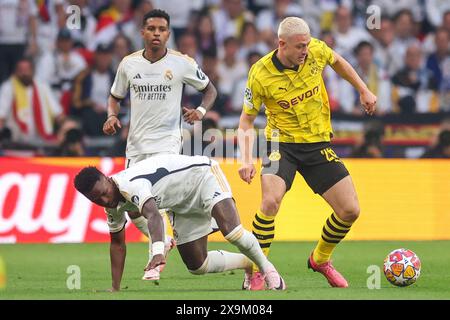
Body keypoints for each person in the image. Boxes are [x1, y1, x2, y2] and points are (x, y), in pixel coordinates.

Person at [238, 17, 377, 290]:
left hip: (317, 144)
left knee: (350, 210)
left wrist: (363, 89)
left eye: (307, 44)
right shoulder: (260, 73)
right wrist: (245, 159)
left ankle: (320, 260)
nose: (306, 49)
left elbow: (337, 61)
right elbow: (246, 120)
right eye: (300, 46)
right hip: (280, 144)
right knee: (270, 202)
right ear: (282, 44)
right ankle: (256, 269)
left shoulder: (316, 49)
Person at [102, 9, 218, 281]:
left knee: (155, 203)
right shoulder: (128, 64)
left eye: (162, 29)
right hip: (136, 147)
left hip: (167, 146)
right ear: (142, 32)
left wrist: (200, 112)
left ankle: (157, 254)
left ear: (168, 33)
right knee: (131, 210)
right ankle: (165, 240)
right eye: (151, 28)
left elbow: (210, 90)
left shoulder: (182, 63)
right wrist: (111, 115)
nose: (156, 34)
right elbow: (114, 96)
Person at [73, 154, 286, 292]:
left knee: (231, 232)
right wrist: (115, 288)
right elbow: (117, 244)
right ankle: (246, 262)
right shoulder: (111, 206)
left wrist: (157, 251)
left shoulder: (130, 184)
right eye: (95, 199)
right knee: (197, 265)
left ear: (107, 179)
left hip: (203, 177)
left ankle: (268, 270)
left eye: (103, 193)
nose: (104, 200)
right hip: (180, 203)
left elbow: (154, 215)